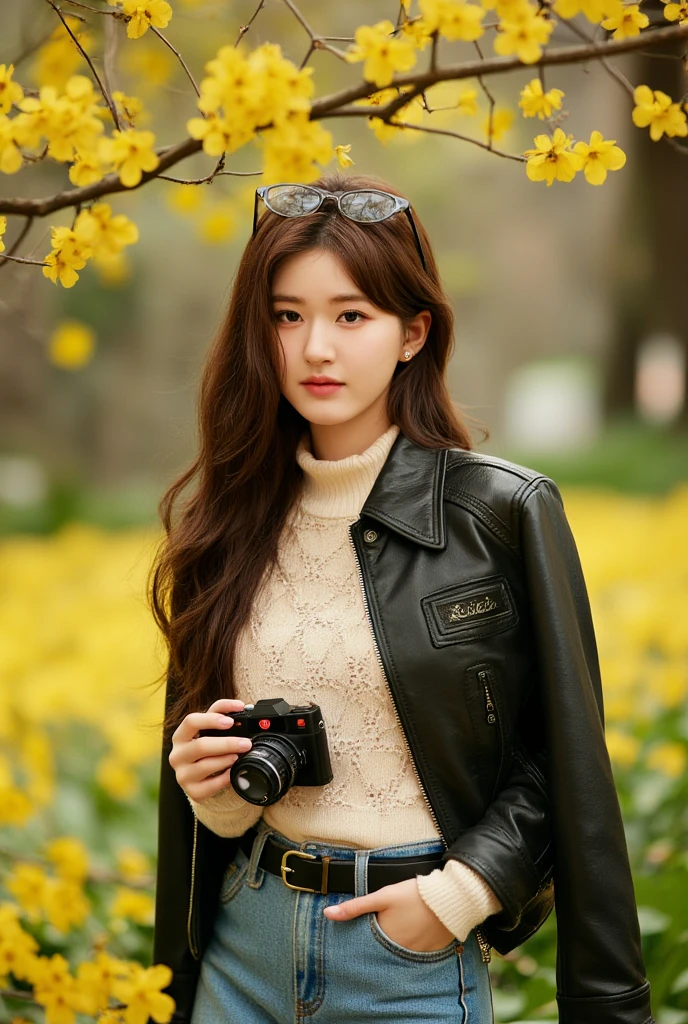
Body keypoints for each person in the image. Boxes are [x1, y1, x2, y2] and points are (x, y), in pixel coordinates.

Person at [148, 171, 654, 1024]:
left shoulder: (501, 513)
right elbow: (222, 800)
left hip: (406, 961)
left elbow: (561, 759)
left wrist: (459, 896)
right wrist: (214, 790)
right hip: (243, 943)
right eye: (287, 315)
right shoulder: (224, 524)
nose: (316, 349)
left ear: (413, 332)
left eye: (352, 316)